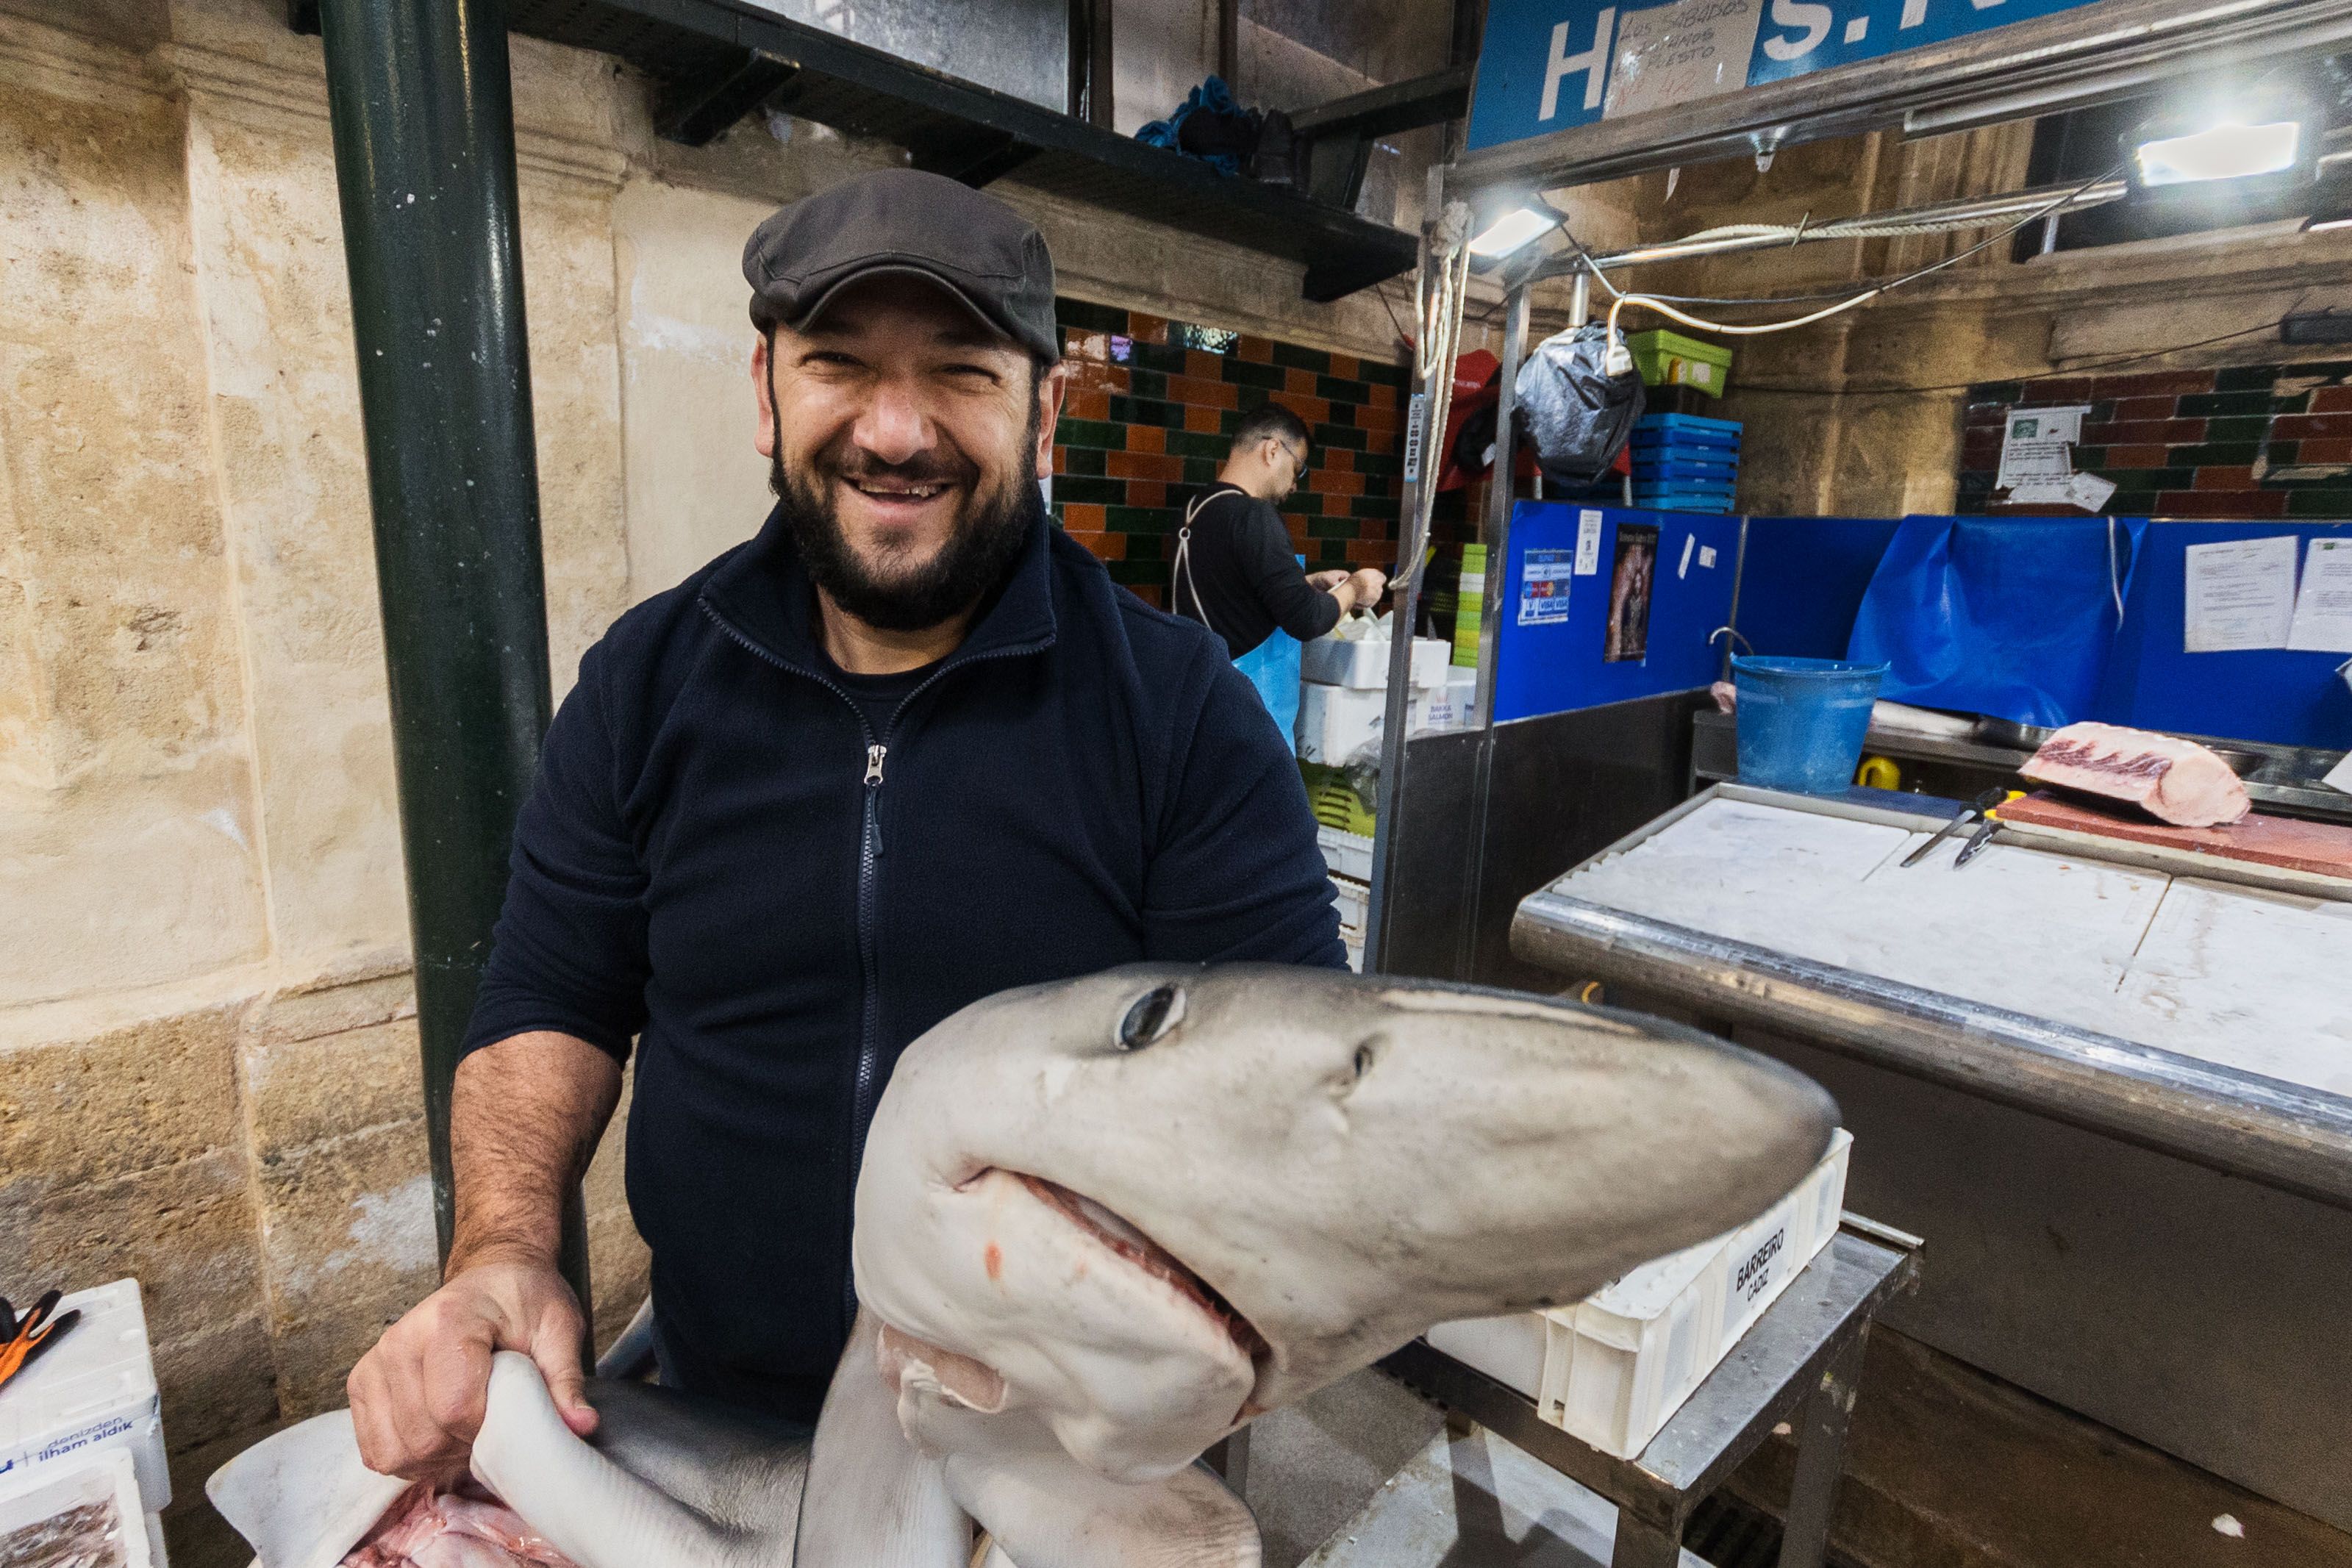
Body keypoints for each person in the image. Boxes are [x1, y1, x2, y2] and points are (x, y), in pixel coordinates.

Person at [343, 168, 1345, 1479]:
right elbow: (553, 992)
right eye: (836, 364)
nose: (893, 428)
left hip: (1061, 1456)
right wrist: (503, 1251)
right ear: (767, 394)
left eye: (960, 372)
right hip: (711, 1416)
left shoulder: (1178, 713)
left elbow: (1286, 1098)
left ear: (1042, 411)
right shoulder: (647, 684)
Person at [1170, 404, 1387, 659]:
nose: (1294, 485)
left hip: (1195, 680)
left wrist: (1312, 582)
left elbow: (1232, 594)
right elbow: (1307, 619)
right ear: (1272, 449)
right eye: (1297, 469)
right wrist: (1358, 586)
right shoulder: (1254, 515)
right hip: (1234, 689)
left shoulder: (1195, 509)